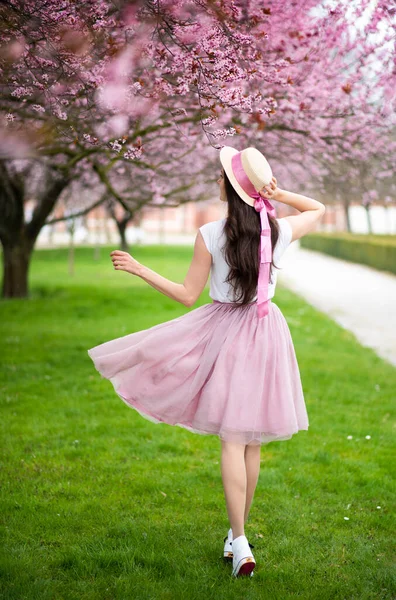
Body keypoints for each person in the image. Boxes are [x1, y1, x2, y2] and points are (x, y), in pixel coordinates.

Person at [87, 146, 326, 579]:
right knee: (250, 440)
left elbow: (185, 294)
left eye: (221, 177)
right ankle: (237, 537)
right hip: (268, 330)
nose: (217, 180)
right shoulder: (278, 229)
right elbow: (318, 208)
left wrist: (140, 269)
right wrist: (279, 193)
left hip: (228, 332)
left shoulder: (211, 233)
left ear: (229, 189)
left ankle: (239, 541)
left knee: (233, 440)